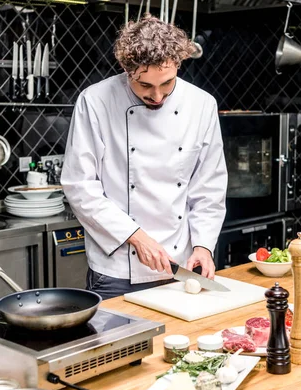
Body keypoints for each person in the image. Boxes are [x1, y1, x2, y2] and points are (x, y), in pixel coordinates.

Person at [61, 15, 228, 300]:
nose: (158, 96)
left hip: (179, 267)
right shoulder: (95, 101)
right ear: (127, 71)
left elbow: (208, 187)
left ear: (178, 64)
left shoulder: (201, 105)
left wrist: (203, 246)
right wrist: (137, 237)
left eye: (167, 83)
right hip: (116, 270)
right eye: (145, 86)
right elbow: (80, 186)